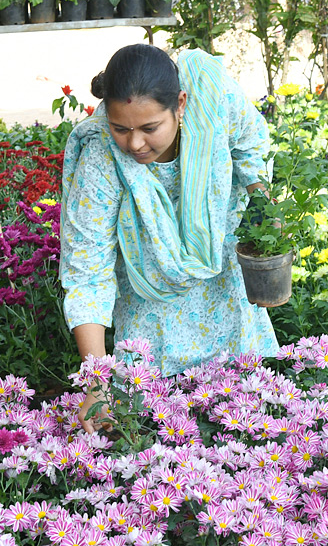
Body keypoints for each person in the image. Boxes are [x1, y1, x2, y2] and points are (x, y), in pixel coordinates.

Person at [59, 45, 278, 428]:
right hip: (149, 301)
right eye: (120, 128)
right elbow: (86, 271)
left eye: (149, 128)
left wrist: (265, 219)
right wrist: (97, 383)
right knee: (162, 430)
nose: (135, 144)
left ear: (180, 104)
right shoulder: (102, 158)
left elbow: (252, 150)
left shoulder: (215, 102)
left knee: (246, 417)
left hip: (222, 285)